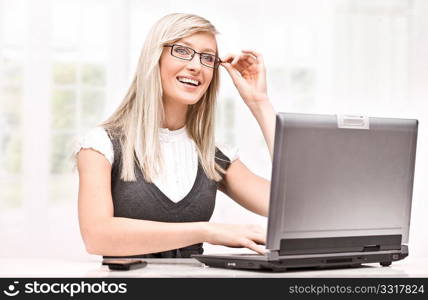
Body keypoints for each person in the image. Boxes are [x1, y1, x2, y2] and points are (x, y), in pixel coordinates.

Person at [75, 13, 276, 258]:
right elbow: (97, 237)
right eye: (182, 50)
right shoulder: (101, 145)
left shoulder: (214, 155)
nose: (196, 65)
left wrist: (260, 103)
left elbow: (296, 206)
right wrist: (206, 231)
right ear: (155, 58)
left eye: (207, 57)